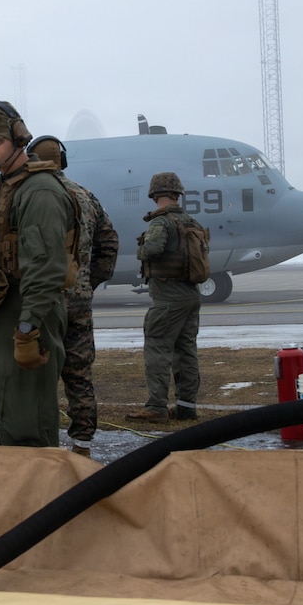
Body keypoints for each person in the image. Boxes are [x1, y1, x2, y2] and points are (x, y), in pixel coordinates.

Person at [0, 102, 76, 447]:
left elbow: (46, 267)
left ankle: (38, 498)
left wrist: (28, 329)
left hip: (24, 315)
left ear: (18, 138)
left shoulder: (39, 191)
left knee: (24, 424)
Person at [29, 137, 119, 458]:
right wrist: (88, 281)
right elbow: (109, 242)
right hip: (79, 302)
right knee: (80, 373)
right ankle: (82, 444)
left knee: (36, 372)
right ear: (63, 161)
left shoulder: (34, 196)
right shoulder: (86, 196)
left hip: (42, 300)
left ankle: (40, 443)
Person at [126, 171, 202, 423]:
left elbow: (152, 249)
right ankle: (186, 406)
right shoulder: (192, 222)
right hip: (190, 294)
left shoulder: (161, 223)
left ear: (154, 194)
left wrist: (140, 249)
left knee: (157, 350)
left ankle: (156, 407)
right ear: (177, 194)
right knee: (186, 351)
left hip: (168, 299)